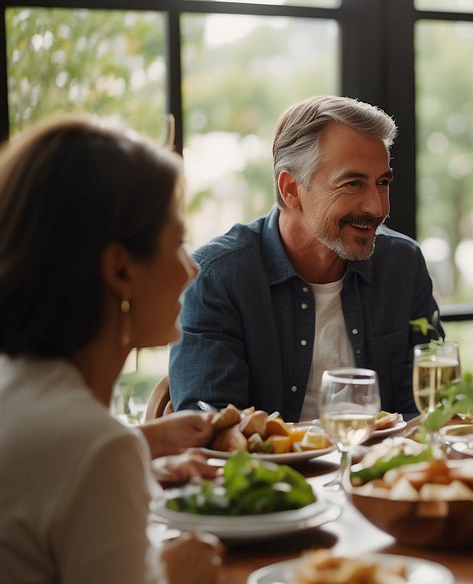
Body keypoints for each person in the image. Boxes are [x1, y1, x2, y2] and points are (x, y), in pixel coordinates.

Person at [0, 115, 223, 584]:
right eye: (178, 245)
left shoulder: (23, 394)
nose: (192, 272)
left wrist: (144, 448)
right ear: (120, 270)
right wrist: (164, 580)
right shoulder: (93, 447)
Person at [169, 95, 442, 422]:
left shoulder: (402, 264)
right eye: (352, 183)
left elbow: (430, 411)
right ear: (291, 189)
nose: (378, 208)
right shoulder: (216, 277)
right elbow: (211, 430)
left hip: (388, 471)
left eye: (382, 183)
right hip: (271, 473)